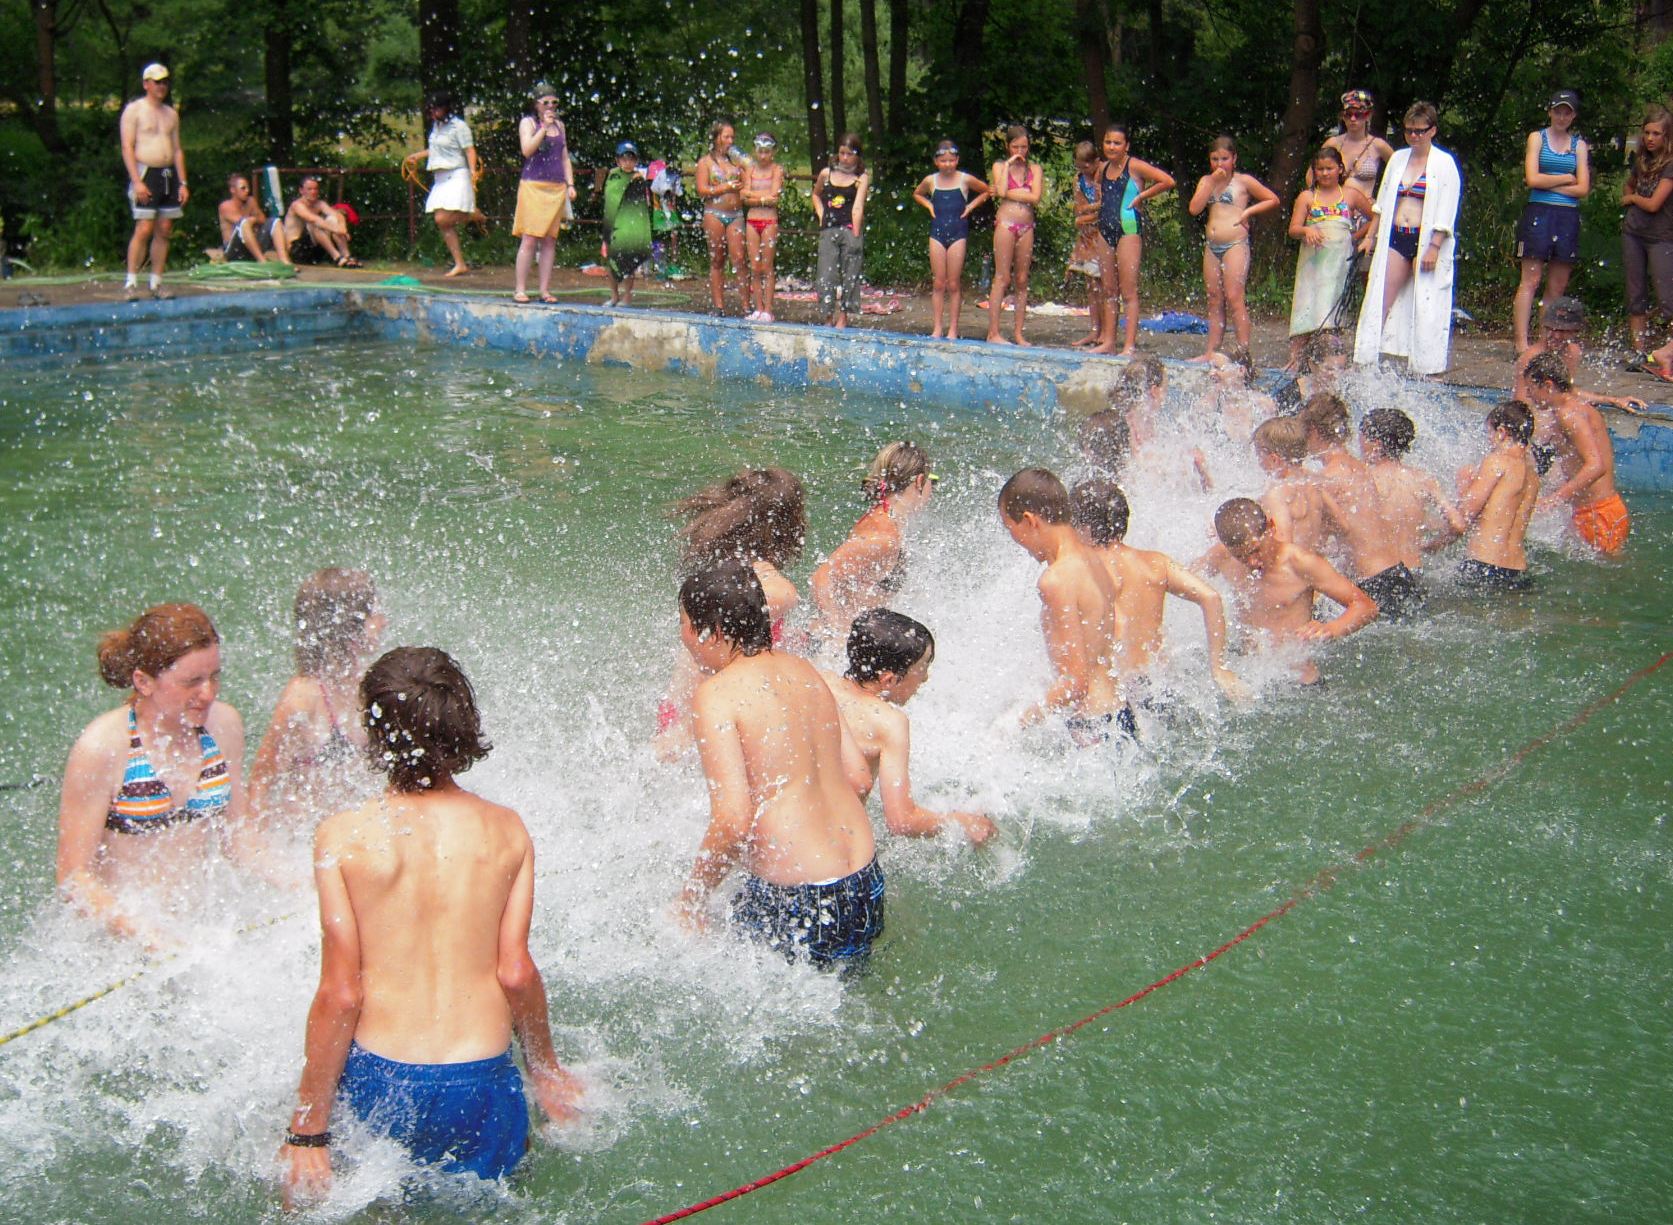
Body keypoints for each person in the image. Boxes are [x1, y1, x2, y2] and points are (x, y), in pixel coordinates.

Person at [279, 647, 581, 1204]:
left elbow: (341, 994)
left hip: (384, 1079)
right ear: (461, 723)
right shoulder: (507, 830)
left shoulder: (342, 837)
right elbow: (516, 973)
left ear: (375, 732)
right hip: (481, 1079)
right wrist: (546, 1072)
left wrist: (307, 1130)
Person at [674, 561, 884, 969]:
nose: (682, 637)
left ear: (711, 631)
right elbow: (859, 778)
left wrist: (691, 899)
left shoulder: (716, 695)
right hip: (863, 879)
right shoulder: (805, 670)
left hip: (800, 896)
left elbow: (733, 822)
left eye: (683, 624)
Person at [56, 604, 245, 945]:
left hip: (197, 931)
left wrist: (306, 885)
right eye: (192, 682)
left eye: (214, 676)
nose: (209, 693)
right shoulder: (102, 746)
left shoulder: (224, 725)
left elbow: (242, 841)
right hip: (121, 943)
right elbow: (74, 878)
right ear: (143, 681)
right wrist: (148, 935)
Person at [655, 468, 809, 758]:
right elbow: (715, 652)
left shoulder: (724, 574)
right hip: (700, 715)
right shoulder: (776, 590)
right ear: (789, 525)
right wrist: (686, 729)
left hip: (683, 707)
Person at [820, 610, 996, 844]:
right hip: (836, 845)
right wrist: (961, 821)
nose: (925, 678)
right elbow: (902, 820)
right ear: (889, 679)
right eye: (922, 668)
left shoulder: (818, 681)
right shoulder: (888, 722)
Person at [1069, 479, 1247, 702]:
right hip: (1158, 686)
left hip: (1121, 690)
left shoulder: (1089, 569)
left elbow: (1117, 628)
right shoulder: (1155, 562)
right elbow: (1211, 597)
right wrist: (1218, 667)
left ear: (1084, 527)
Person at [247, 570, 384, 832]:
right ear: (349, 624)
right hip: (308, 838)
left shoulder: (372, 682)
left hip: (360, 834)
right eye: (374, 614)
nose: (383, 622)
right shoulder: (304, 697)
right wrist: (261, 847)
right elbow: (260, 783)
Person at [996, 468, 1125, 741]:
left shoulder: (1056, 580)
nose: (1015, 540)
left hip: (1092, 726)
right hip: (1119, 715)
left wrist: (1016, 723)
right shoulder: (1095, 560)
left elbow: (1075, 683)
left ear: (1029, 520)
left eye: (1010, 529)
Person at [1199, 498, 1377, 686]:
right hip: (1250, 678)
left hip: (1299, 682)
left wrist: (1331, 629)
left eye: (1256, 550)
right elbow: (1188, 582)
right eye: (1240, 556)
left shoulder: (1300, 564)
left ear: (1271, 527)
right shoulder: (1222, 556)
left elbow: (1366, 606)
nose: (1252, 562)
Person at [1354, 102, 1462, 377]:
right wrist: (1371, 236)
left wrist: (1434, 246)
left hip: (1425, 239)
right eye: (1409, 131)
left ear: (1432, 131)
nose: (1414, 136)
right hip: (1397, 236)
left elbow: (1447, 208)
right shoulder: (1398, 159)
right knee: (1380, 297)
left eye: (1419, 131)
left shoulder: (1444, 163)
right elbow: (1383, 202)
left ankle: (1427, 366)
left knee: (1425, 303)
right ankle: (1368, 358)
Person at [1298, 393, 1414, 615]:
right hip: (1398, 574)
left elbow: (1314, 545)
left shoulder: (1329, 478)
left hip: (1374, 585)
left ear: (1313, 430)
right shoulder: (1360, 467)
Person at [810, 442, 937, 641]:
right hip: (843, 643)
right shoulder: (885, 536)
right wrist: (839, 634)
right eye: (933, 482)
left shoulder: (886, 518)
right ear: (920, 481)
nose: (933, 490)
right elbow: (822, 578)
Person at [1523, 352, 1629, 554]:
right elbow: (1576, 392)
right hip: (1596, 511)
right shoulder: (1568, 404)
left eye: (1531, 388)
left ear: (1548, 386)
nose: (1528, 395)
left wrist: (1554, 499)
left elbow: (1596, 466)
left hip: (1599, 513)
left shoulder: (1568, 414)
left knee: (1605, 571)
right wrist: (1611, 399)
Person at [1187, 135, 1279, 360]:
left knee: (1234, 296)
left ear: (1234, 158)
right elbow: (1194, 209)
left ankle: (1243, 352)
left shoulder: (1243, 181)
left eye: (1224, 159)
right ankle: (1211, 351)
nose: (1220, 164)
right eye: (1215, 159)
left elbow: (1272, 199)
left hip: (1235, 244)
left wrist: (1248, 212)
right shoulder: (1206, 181)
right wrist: (1210, 182)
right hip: (1212, 245)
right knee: (1213, 298)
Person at [1513, 90, 1590, 354]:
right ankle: (1521, 343)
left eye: (1567, 112)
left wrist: (1549, 182)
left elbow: (1583, 188)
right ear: (1550, 112)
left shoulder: (1579, 145)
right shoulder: (1537, 138)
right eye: (1558, 111)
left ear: (1573, 116)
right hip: (1539, 211)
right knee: (1530, 279)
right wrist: (1566, 178)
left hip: (1567, 216)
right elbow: (1532, 178)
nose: (1561, 117)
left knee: (1557, 284)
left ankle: (1544, 342)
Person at [1090, 123, 1175, 357]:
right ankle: (1109, 341)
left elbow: (1167, 181)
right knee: (1109, 289)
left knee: (1128, 291)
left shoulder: (1134, 166)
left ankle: (1129, 345)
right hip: (1104, 231)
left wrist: (1141, 197)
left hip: (1129, 230)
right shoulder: (1103, 168)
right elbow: (1103, 196)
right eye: (1108, 142)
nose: (1111, 146)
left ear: (1126, 146)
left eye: (1117, 143)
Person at [1287, 147, 1373, 364]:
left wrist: (1358, 237)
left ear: (1340, 169)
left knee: (1332, 306)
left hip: (1338, 263)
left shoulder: (1350, 194)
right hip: (1312, 262)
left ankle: (1330, 359)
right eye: (1320, 169)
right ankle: (1296, 358)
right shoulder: (1307, 197)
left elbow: (1376, 216)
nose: (1325, 173)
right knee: (1306, 304)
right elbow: (1293, 229)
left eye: (1329, 168)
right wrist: (1306, 230)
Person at [1358, 408, 1467, 574]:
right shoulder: (1423, 479)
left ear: (1377, 444)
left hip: (1380, 574)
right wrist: (1432, 547)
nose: (1360, 446)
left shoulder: (1365, 478)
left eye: (1362, 439)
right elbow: (1458, 525)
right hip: (1414, 572)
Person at [1455, 401, 1540, 591]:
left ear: (1501, 432)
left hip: (1484, 565)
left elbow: (1465, 515)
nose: (1489, 440)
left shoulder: (1497, 462)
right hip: (1519, 571)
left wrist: (1463, 484)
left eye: (1489, 433)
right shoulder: (1533, 476)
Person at [120, 63, 188, 301]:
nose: (162, 86)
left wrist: (183, 182)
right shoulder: (134, 110)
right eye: (157, 82)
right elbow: (127, 147)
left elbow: (177, 149)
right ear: (146, 84)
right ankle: (131, 282)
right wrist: (136, 180)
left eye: (165, 82)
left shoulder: (171, 114)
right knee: (144, 228)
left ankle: (156, 282)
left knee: (165, 229)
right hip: (146, 171)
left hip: (168, 174)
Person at [1511, 297, 1648, 412]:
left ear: (1576, 331)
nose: (1556, 336)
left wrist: (1613, 400)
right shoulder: (1530, 357)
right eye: (1551, 329)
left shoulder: (1572, 352)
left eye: (1563, 330)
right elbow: (1521, 406)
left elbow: (1566, 391)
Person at [912, 140, 990, 340]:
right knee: (938, 283)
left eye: (951, 160)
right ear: (936, 161)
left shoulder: (964, 179)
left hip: (958, 233)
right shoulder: (931, 181)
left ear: (957, 160)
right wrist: (929, 205)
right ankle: (937, 327)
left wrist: (970, 207)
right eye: (943, 161)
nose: (947, 164)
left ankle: (953, 329)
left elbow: (986, 190)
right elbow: (917, 194)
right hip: (937, 233)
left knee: (953, 283)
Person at [404, 93, 477, 278]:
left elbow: (469, 150)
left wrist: (473, 172)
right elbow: (436, 149)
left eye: (435, 109)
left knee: (442, 219)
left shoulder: (459, 126)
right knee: (443, 222)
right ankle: (460, 263)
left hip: (457, 173)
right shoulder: (437, 126)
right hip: (440, 177)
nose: (432, 113)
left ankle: (472, 214)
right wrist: (418, 156)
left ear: (446, 108)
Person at [512, 82, 572, 305]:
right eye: (546, 102)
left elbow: (564, 157)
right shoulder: (528, 123)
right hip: (533, 185)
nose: (550, 106)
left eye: (554, 102)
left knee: (549, 239)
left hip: (556, 187)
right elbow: (527, 150)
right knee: (529, 238)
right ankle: (520, 288)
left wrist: (570, 184)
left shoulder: (561, 126)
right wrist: (543, 128)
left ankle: (544, 290)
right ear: (536, 104)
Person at [1622, 106, 1673, 365]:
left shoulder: (1670, 165)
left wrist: (1632, 199)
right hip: (1633, 232)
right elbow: (1629, 185)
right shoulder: (1642, 160)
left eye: (1656, 134)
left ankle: (1669, 352)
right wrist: (1630, 195)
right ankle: (1639, 351)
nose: (1650, 138)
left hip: (1661, 235)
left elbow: (1654, 204)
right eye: (1647, 133)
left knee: (1667, 297)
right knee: (1636, 294)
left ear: (1667, 136)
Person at [986, 126, 1044, 345]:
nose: (1020, 151)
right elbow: (1000, 191)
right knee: (1002, 277)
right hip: (1006, 224)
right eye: (1015, 147)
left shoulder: (1034, 169)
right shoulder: (1000, 166)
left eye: (1024, 147)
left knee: (1021, 279)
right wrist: (1008, 167)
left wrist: (1010, 193)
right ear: (1007, 146)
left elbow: (1035, 197)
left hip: (1026, 226)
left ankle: (1019, 332)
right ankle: (993, 332)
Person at [813, 134, 871, 329]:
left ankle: (844, 316)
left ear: (857, 155)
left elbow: (858, 206)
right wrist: (821, 214)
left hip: (849, 228)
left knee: (850, 274)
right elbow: (816, 195)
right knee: (825, 274)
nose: (845, 158)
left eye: (849, 154)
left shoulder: (861, 178)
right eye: (842, 153)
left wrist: (856, 233)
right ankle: (827, 316)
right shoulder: (826, 174)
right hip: (829, 228)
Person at [1252, 416, 1331, 551]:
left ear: (1274, 459)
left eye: (1259, 456)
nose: (1259, 462)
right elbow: (1344, 526)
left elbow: (1284, 548)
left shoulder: (1277, 495)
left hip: (1295, 564)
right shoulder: (1315, 483)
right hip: (1311, 559)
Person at [696, 122, 750, 315]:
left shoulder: (736, 162)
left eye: (732, 137)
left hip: (736, 214)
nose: (730, 141)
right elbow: (702, 190)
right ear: (717, 137)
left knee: (740, 258)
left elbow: (747, 184)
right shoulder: (705, 162)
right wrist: (724, 187)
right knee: (717, 259)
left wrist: (746, 174)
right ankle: (719, 306)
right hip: (714, 213)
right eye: (726, 136)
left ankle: (746, 306)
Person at [1317, 90, 1395, 207]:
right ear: (1343, 117)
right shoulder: (1333, 143)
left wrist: (1383, 200)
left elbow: (1398, 173)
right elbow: (1311, 175)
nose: (1353, 119)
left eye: (1358, 114)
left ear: (1368, 115)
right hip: (1336, 209)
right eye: (1348, 115)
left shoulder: (1378, 145)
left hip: (1365, 210)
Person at [601, 141, 653, 307]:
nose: (627, 162)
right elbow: (609, 203)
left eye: (631, 159)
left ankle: (627, 296)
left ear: (635, 161)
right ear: (618, 160)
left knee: (629, 264)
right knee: (611, 263)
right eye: (624, 159)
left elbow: (640, 208)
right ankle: (614, 295)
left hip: (630, 229)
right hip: (614, 226)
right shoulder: (613, 176)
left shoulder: (638, 179)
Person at [741, 133, 786, 322]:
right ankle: (758, 308)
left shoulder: (777, 170)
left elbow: (774, 197)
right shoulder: (750, 169)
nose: (763, 156)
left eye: (767, 152)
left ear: (773, 152)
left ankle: (768, 309)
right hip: (752, 220)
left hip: (769, 220)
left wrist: (754, 197)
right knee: (755, 266)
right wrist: (763, 198)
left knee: (767, 266)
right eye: (760, 152)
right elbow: (743, 196)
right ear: (755, 151)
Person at [1067, 140, 1106, 347]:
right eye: (1080, 167)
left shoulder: (1104, 176)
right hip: (1087, 237)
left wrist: (1087, 213)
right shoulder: (1079, 180)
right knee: (1091, 285)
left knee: (1104, 285)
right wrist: (1085, 215)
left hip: (1103, 235)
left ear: (1097, 161)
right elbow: (1078, 209)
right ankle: (1094, 330)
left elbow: (1107, 206)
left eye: (1087, 167)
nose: (1084, 171)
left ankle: (1106, 332)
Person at [283, 175, 357, 267]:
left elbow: (338, 215)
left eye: (315, 189)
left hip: (314, 250)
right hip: (297, 250)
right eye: (309, 189)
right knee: (315, 224)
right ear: (301, 191)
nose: (313, 192)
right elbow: (313, 219)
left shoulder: (320, 204)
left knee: (333, 219)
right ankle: (337, 257)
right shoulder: (297, 205)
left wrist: (342, 227)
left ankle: (347, 255)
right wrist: (337, 229)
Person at [218, 173, 291, 265]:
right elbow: (242, 223)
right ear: (233, 190)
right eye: (243, 188)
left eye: (248, 188)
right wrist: (252, 220)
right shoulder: (225, 206)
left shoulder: (251, 201)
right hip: (234, 251)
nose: (247, 191)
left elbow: (262, 219)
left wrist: (253, 220)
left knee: (275, 221)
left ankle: (284, 260)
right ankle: (262, 261)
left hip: (252, 247)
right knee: (244, 223)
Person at [1274, 328, 1349, 411]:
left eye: (1341, 369)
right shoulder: (1292, 394)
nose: (1336, 375)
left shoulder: (1346, 390)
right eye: (1329, 369)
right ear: (1312, 365)